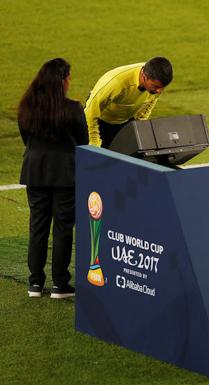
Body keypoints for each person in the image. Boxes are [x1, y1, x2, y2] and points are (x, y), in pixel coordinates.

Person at [18, 58, 88, 299]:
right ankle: (60, 284)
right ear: (62, 81)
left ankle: (35, 283)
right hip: (65, 175)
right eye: (68, 77)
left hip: (35, 172)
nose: (70, 81)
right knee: (63, 228)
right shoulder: (72, 109)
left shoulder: (26, 106)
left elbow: (25, 137)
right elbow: (84, 141)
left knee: (37, 227)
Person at [84, 57, 173, 148]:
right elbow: (90, 113)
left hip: (125, 121)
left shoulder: (155, 83)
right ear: (144, 77)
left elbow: (144, 111)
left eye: (163, 87)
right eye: (156, 86)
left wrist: (139, 133)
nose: (159, 91)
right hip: (100, 122)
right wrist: (94, 142)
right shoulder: (116, 83)